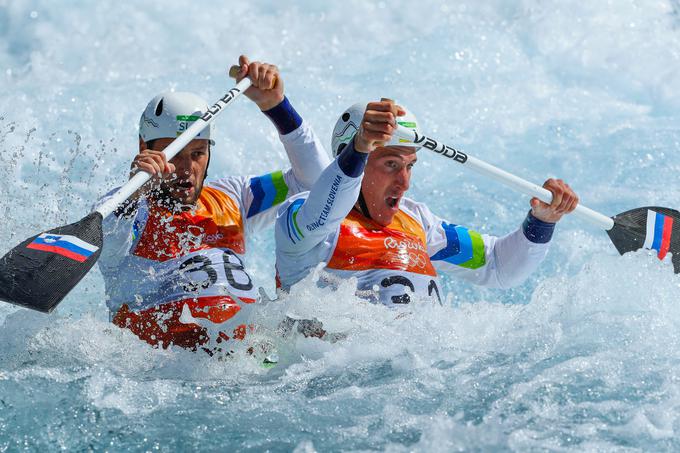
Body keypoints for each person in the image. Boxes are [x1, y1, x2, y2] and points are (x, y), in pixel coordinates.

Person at [96, 56, 331, 355]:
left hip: (250, 357)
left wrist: (276, 107)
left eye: (197, 154)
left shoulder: (234, 197)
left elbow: (317, 183)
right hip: (172, 369)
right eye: (175, 154)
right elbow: (107, 241)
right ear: (145, 148)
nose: (186, 169)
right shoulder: (122, 206)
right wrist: (134, 194)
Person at [274, 99, 579, 307]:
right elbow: (323, 211)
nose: (405, 183)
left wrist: (543, 220)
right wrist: (360, 147)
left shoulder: (418, 222)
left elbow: (498, 266)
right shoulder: (300, 219)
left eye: (410, 166)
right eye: (391, 165)